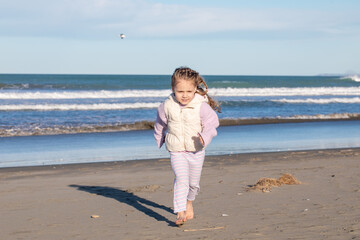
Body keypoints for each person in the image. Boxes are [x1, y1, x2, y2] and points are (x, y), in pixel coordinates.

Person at [154, 67, 221, 225]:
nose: (184, 95)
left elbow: (212, 124)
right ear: (173, 89)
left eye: (189, 91)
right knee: (181, 179)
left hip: (196, 150)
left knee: (193, 184)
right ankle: (180, 211)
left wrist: (204, 137)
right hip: (176, 150)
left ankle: (189, 202)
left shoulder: (201, 106)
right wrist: (159, 138)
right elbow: (160, 124)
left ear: (195, 90)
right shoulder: (166, 106)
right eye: (180, 91)